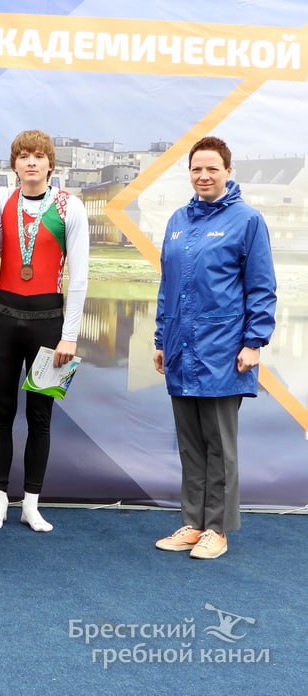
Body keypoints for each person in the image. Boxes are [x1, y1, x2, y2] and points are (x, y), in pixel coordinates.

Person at [153, 136, 276, 560]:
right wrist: (161, 339)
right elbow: (168, 286)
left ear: (228, 171)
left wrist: (254, 342)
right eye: (196, 169)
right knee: (190, 443)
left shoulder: (247, 220)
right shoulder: (177, 220)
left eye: (212, 168)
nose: (203, 176)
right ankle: (193, 523)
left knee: (219, 445)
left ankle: (217, 529)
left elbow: (261, 286)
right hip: (180, 349)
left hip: (223, 350)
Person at [0, 130, 89, 533]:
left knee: (40, 417)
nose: (30, 162)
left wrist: (70, 335)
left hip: (49, 325)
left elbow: (80, 276)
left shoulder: (69, 206)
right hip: (4, 320)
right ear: (14, 164)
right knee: (1, 413)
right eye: (23, 155)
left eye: (38, 156)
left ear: (50, 164)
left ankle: (31, 504)